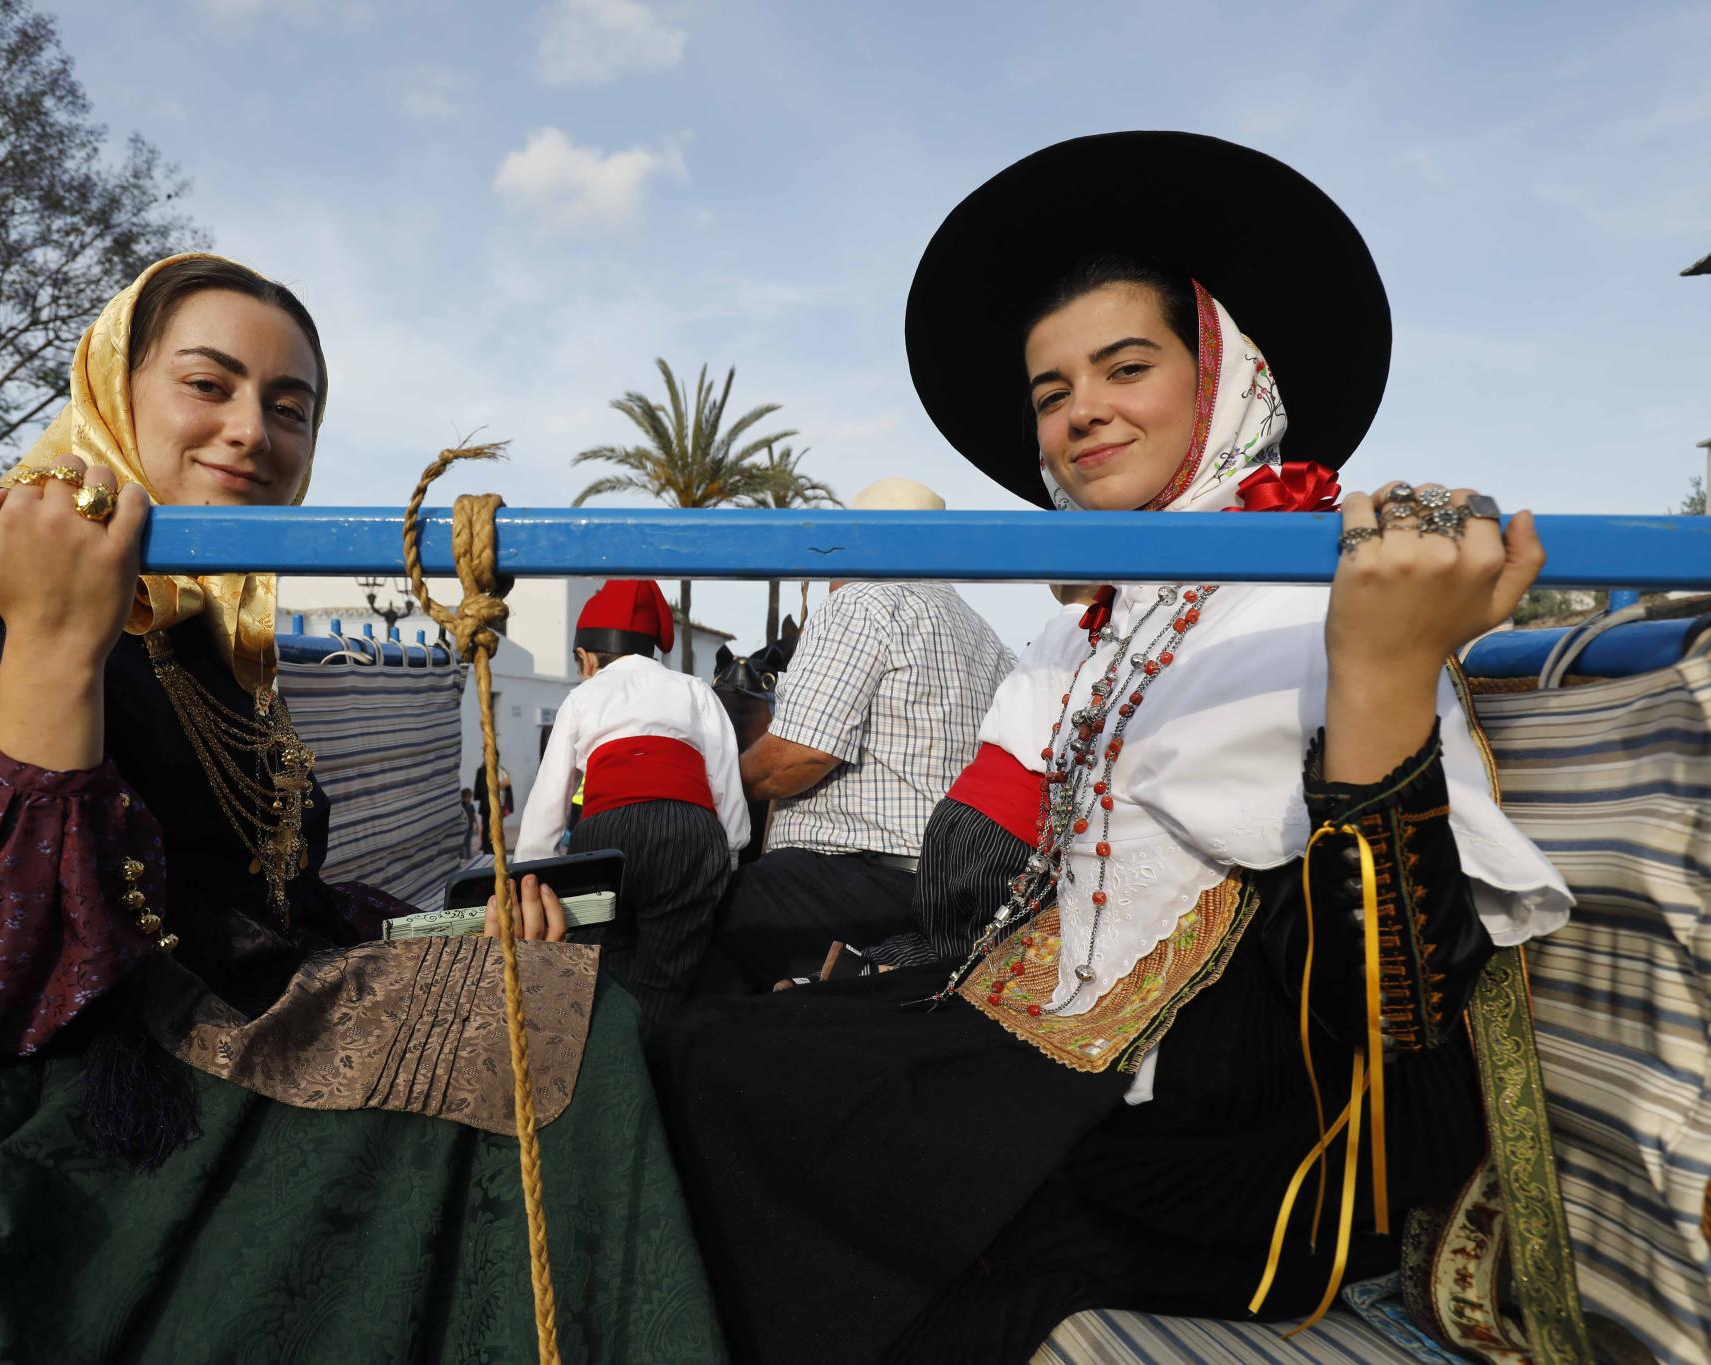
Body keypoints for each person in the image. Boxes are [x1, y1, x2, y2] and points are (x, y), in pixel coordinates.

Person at [0, 254, 725, 1361]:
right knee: (560, 1036)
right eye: (208, 385)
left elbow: (256, 900)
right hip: (15, 1099)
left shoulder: (205, 648)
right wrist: (58, 641)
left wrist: (454, 928)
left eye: (289, 408)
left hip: (193, 1018)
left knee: (554, 1001)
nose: (252, 431)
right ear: (114, 393)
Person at [650, 132, 1573, 1363]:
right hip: (1086, 1036)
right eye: (1050, 393)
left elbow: (1387, 1011)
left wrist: (1382, 671)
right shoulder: (1111, 619)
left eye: (1124, 367)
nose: (1080, 409)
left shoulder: (1314, 594)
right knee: (713, 1045)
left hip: (1249, 1123)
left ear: (1220, 379)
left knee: (747, 1089)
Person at [695, 476, 1015, 991]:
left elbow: (797, 757)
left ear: (853, 544)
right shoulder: (986, 635)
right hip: (952, 886)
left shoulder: (863, 601)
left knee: (696, 920)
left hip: (860, 877)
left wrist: (718, 786)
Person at [516, 580, 750, 1023]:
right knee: (668, 973)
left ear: (586, 657)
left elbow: (550, 795)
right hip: (689, 833)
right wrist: (730, 855)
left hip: (605, 835)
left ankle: (609, 1040)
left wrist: (531, 871)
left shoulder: (582, 696)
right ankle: (657, 1043)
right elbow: (725, 779)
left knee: (596, 961)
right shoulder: (694, 689)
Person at [473, 759, 513, 855]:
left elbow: (507, 785)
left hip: (495, 805)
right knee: (489, 828)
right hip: (491, 805)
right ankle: (488, 847)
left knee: (491, 828)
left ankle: (490, 847)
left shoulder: (499, 770)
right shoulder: (484, 771)